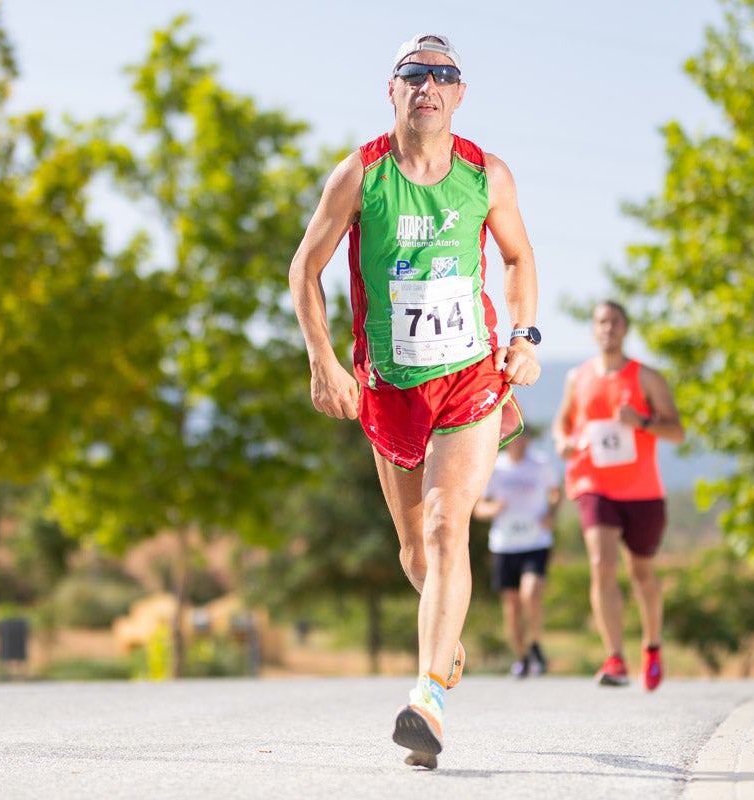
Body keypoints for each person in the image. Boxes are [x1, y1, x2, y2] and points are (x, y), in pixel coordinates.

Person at [288, 33, 541, 768]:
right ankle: (446, 640)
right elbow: (306, 270)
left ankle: (425, 697)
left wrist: (524, 336)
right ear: (392, 89)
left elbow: (520, 258)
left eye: (443, 75)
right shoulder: (360, 176)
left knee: (443, 525)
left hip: (469, 379)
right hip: (389, 384)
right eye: (414, 73)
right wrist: (323, 360)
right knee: (412, 551)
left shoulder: (485, 175)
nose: (427, 85)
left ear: (460, 94)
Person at [551, 300, 683, 691]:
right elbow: (563, 423)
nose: (607, 328)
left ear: (625, 329)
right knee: (601, 564)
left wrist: (641, 422)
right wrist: (562, 441)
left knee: (642, 574)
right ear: (593, 329)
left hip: (642, 491)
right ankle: (614, 657)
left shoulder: (647, 378)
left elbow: (677, 432)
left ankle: (652, 647)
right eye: (601, 322)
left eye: (614, 322)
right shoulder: (577, 376)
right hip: (595, 484)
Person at [472, 429, 561, 678]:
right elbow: (479, 508)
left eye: (522, 437)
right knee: (511, 606)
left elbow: (556, 492)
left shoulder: (540, 465)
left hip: (535, 541)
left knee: (530, 592)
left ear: (529, 439)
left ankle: (535, 644)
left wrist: (550, 514)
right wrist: (493, 508)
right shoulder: (494, 467)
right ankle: (521, 656)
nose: (518, 442)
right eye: (512, 438)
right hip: (505, 544)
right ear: (505, 442)